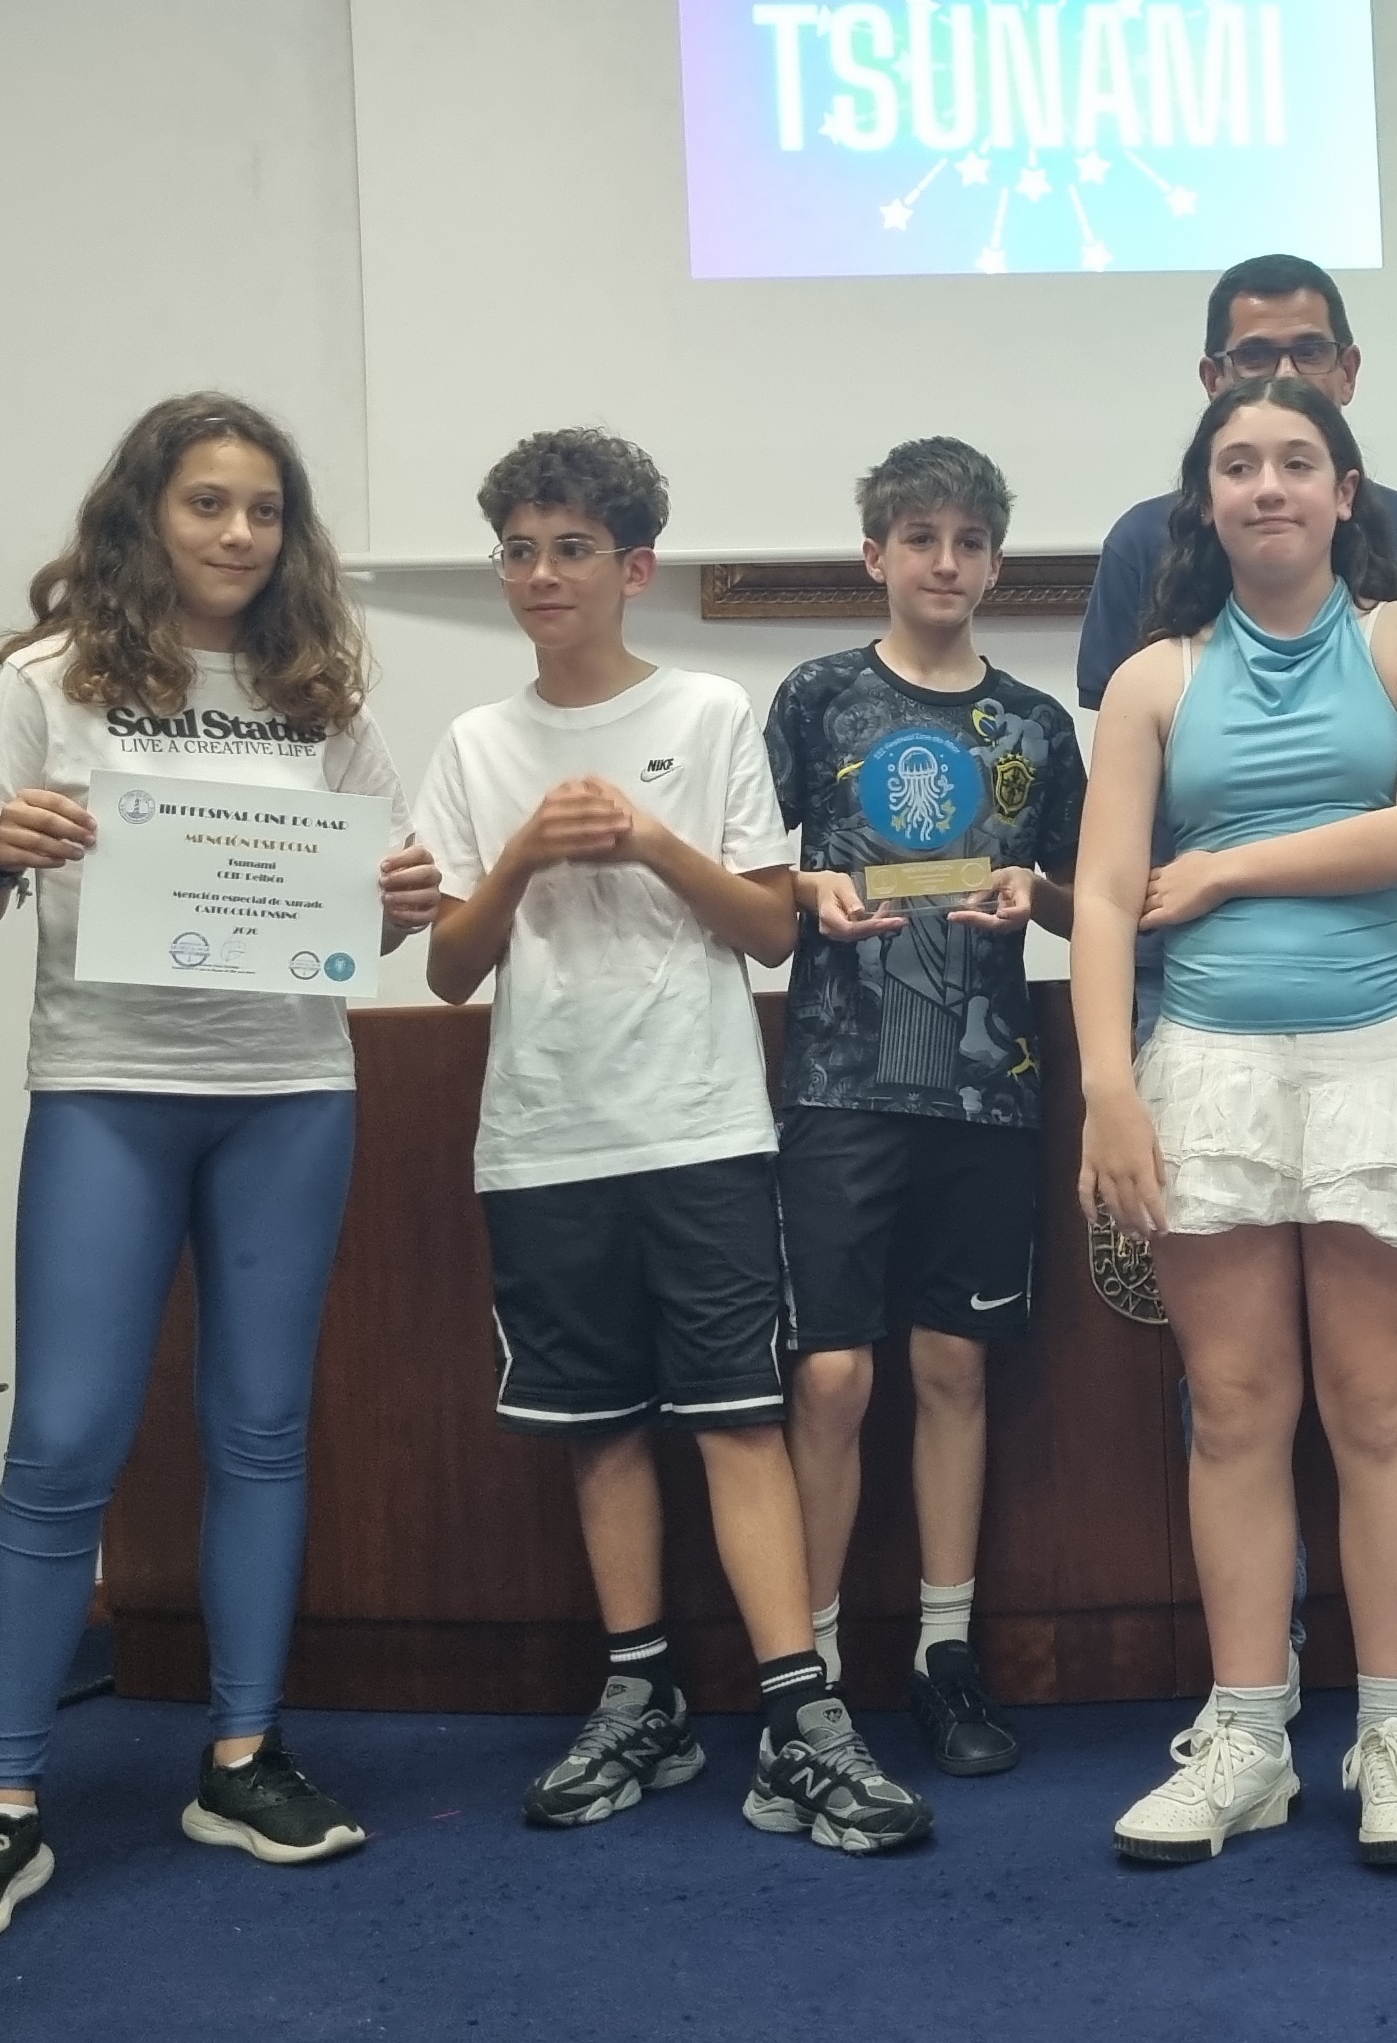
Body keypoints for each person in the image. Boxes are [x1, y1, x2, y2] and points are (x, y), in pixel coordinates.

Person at [0, 394, 438, 1951]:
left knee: (259, 1428)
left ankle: (243, 1759)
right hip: (108, 1089)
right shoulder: (48, 679)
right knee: (66, 1438)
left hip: (288, 1093)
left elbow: (372, 911)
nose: (239, 534)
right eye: (208, 503)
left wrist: (402, 898)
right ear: (146, 514)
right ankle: (1, 1802)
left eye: (265, 509)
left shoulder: (319, 688)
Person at [414, 427, 932, 1855]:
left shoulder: (707, 712)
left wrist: (648, 841)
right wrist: (523, 854)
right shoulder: (473, 745)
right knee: (599, 1431)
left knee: (737, 1417)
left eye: (572, 549)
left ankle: (801, 1716)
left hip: (700, 1124)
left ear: (635, 568)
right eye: (519, 550)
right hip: (543, 1137)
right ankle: (639, 1697)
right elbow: (449, 970)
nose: (542, 575)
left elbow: (769, 927)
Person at [1073, 252, 1397, 1749]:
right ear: (1204, 499)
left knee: (1382, 1411)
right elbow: (1101, 897)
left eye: (1295, 462)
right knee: (1235, 1413)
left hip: (1383, 1053)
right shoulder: (1151, 679)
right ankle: (1249, 1734)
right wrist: (1109, 1088)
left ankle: (1393, 1734)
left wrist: (1223, 870)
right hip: (1205, 1064)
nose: (1267, 485)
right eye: (1237, 465)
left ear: (1343, 490)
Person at [770, 437, 1084, 1779]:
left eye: (967, 541)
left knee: (955, 1367)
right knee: (834, 1376)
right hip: (840, 1080)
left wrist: (1036, 895)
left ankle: (944, 1653)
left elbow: (1085, 899)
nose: (944, 562)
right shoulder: (815, 699)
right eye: (920, 539)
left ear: (997, 564)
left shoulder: (1036, 726)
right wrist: (806, 891)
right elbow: (751, 874)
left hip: (984, 1083)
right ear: (876, 556)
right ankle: (811, 1671)